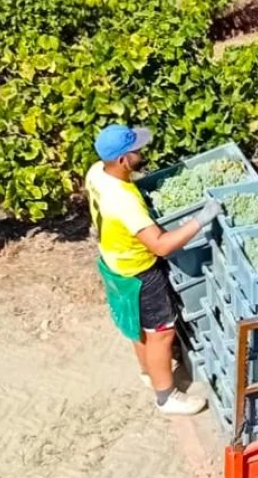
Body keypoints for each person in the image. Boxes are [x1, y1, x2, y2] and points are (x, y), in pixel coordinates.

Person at [86, 124, 210, 417]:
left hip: (114, 264)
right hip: (139, 273)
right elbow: (161, 246)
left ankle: (148, 372)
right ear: (122, 161)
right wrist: (199, 221)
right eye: (136, 151)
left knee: (138, 326)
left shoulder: (97, 172)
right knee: (161, 333)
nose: (141, 153)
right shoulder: (125, 201)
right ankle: (166, 396)